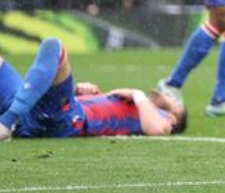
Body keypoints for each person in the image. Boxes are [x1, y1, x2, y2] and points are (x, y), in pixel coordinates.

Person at [0, 38, 186, 141]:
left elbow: (157, 130)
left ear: (174, 116)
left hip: (64, 119)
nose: (169, 94)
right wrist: (81, 93)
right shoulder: (140, 106)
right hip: (44, 112)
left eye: (175, 100)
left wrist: (138, 94)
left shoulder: (161, 116)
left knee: (54, 47)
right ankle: (10, 120)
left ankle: (7, 122)